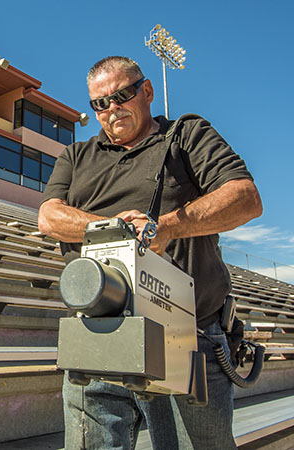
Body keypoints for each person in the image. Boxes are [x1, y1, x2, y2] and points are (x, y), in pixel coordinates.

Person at [38, 56, 263, 450]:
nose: (112, 109)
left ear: (146, 91)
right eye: (100, 104)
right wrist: (114, 227)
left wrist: (167, 227)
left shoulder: (186, 135)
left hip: (186, 333)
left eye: (122, 95)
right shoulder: (76, 156)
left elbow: (245, 198)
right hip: (98, 328)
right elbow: (49, 217)